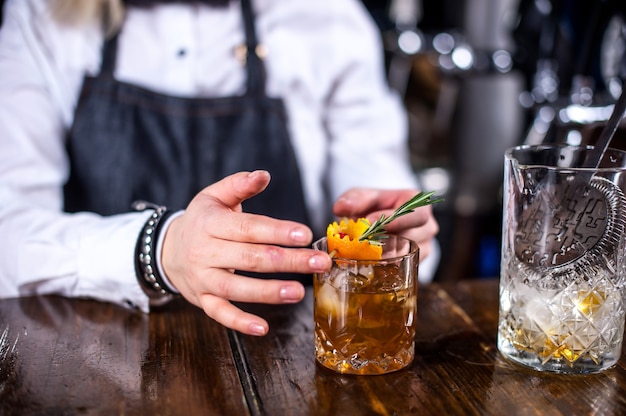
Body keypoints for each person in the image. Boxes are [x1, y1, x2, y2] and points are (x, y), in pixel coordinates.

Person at [0, 0, 440, 336]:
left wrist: (396, 234)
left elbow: (386, 203)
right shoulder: (42, 17)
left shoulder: (328, 16)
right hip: (91, 348)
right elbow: (8, 233)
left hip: (287, 346)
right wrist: (159, 251)